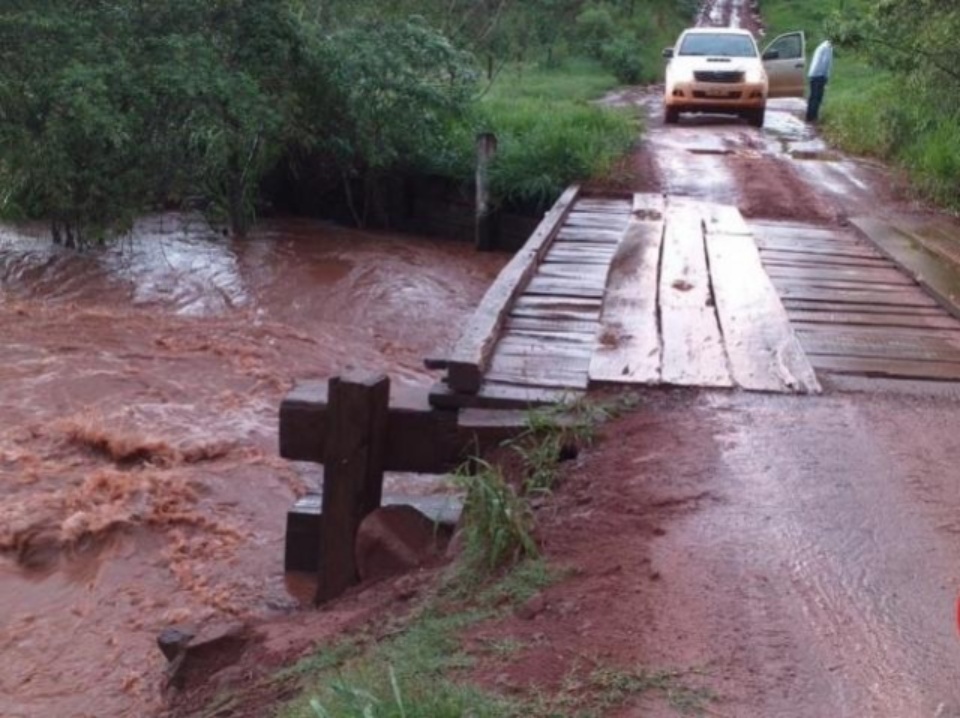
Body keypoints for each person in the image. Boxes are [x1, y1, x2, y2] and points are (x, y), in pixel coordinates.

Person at [806, 39, 833, 123]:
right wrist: (826, 77)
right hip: (819, 75)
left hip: (813, 74)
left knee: (813, 97)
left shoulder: (822, 46)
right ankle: (813, 118)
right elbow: (825, 62)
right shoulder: (827, 48)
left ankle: (809, 117)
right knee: (817, 97)